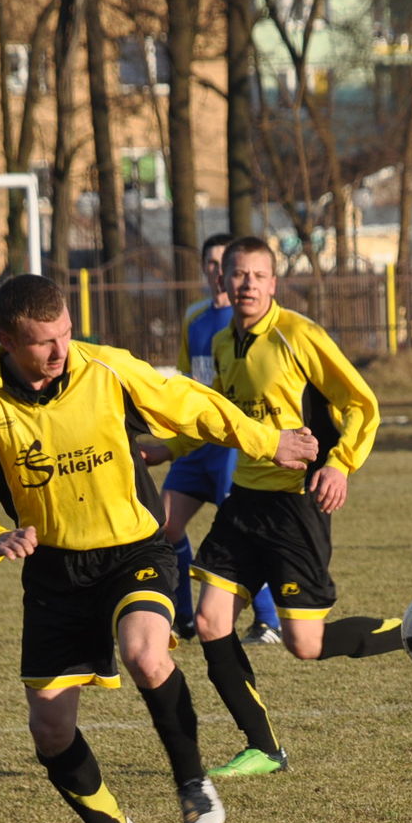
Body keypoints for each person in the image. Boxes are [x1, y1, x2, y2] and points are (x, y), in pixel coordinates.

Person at [0, 274, 318, 823]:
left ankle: (192, 782)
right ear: (7, 341)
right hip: (54, 573)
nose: (61, 351)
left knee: (144, 653)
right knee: (50, 729)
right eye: (44, 343)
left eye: (64, 334)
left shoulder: (105, 369)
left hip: (133, 550)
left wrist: (267, 440)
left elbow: (191, 402)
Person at [152, 235, 412, 782]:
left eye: (257, 274)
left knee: (306, 644)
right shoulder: (226, 343)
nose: (247, 282)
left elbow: (361, 404)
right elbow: (218, 420)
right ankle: (262, 745)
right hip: (244, 501)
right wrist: (161, 447)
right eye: (238, 273)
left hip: (295, 506)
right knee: (210, 621)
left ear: (273, 283)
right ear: (224, 281)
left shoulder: (298, 335)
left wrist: (341, 463)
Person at [162, 233, 284, 646]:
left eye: (223, 264)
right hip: (197, 442)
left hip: (235, 443)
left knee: (242, 531)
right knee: (165, 521)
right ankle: (182, 616)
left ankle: (267, 620)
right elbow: (184, 381)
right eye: (211, 264)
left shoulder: (252, 323)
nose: (218, 272)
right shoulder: (195, 318)